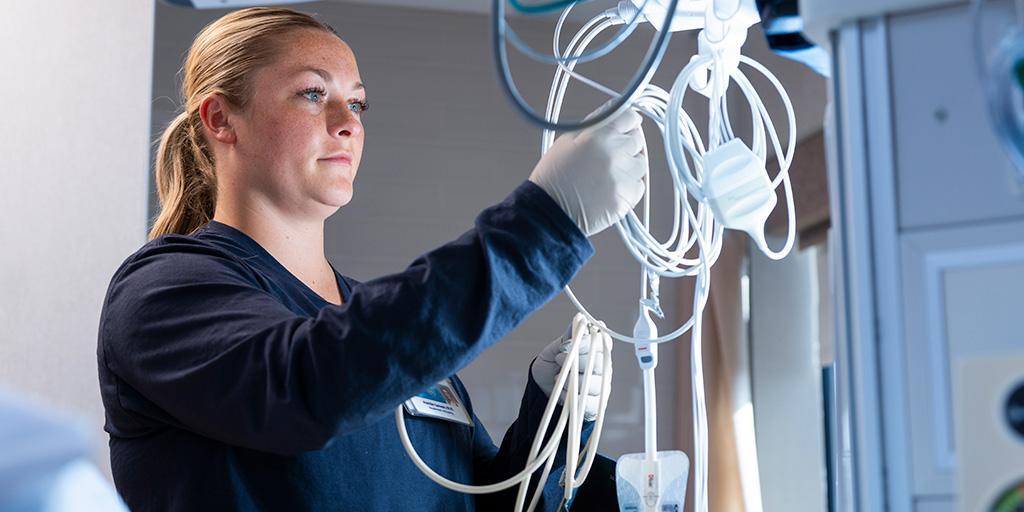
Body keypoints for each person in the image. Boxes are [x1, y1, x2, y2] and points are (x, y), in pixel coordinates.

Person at [96, 7, 645, 511]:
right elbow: (311, 385)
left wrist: (552, 417)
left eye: (356, 102)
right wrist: (544, 224)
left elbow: (476, 500)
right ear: (220, 119)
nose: (348, 122)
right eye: (313, 93)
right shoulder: (163, 291)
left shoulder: (383, 326)